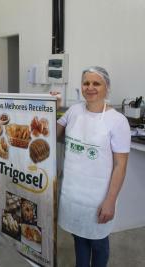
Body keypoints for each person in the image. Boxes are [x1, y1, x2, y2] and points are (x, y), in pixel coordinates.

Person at [56, 66, 130, 267]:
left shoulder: (118, 121)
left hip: (97, 196)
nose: (90, 87)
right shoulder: (74, 111)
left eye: (96, 83)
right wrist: (51, 107)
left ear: (107, 87)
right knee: (78, 237)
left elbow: (120, 165)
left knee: (97, 242)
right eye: (86, 83)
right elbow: (52, 135)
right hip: (72, 193)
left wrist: (110, 201)